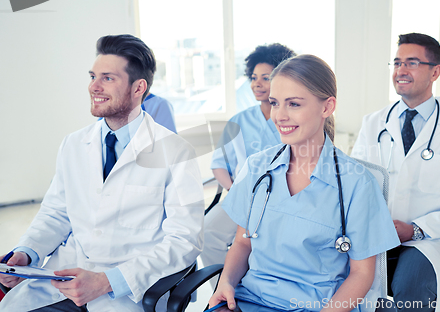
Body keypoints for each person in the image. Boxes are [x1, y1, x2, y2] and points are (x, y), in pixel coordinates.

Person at [0, 34, 204, 311]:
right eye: (93, 76)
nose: (93, 86)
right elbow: (56, 213)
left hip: (124, 292)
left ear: (138, 88)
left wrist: (108, 280)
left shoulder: (176, 152)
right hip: (63, 281)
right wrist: (26, 253)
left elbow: (184, 241)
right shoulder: (73, 144)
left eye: (108, 78)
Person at [208, 54, 400, 312]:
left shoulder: (357, 184)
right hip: (250, 300)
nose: (280, 116)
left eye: (294, 104)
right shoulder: (257, 167)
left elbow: (362, 274)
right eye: (275, 103)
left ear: (327, 107)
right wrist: (226, 282)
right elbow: (243, 242)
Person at [351, 33, 440, 312]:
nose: (401, 71)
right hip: (376, 235)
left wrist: (416, 229)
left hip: (431, 240)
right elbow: (357, 182)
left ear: (435, 71)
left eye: (412, 63)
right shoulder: (374, 123)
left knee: (411, 281)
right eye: (397, 63)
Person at [201, 44, 296, 269]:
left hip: (284, 200)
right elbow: (218, 166)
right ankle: (223, 291)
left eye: (266, 77)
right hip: (242, 197)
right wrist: (235, 191)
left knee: (269, 246)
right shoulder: (238, 121)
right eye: (254, 77)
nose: (257, 84)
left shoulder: (294, 119)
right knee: (207, 233)